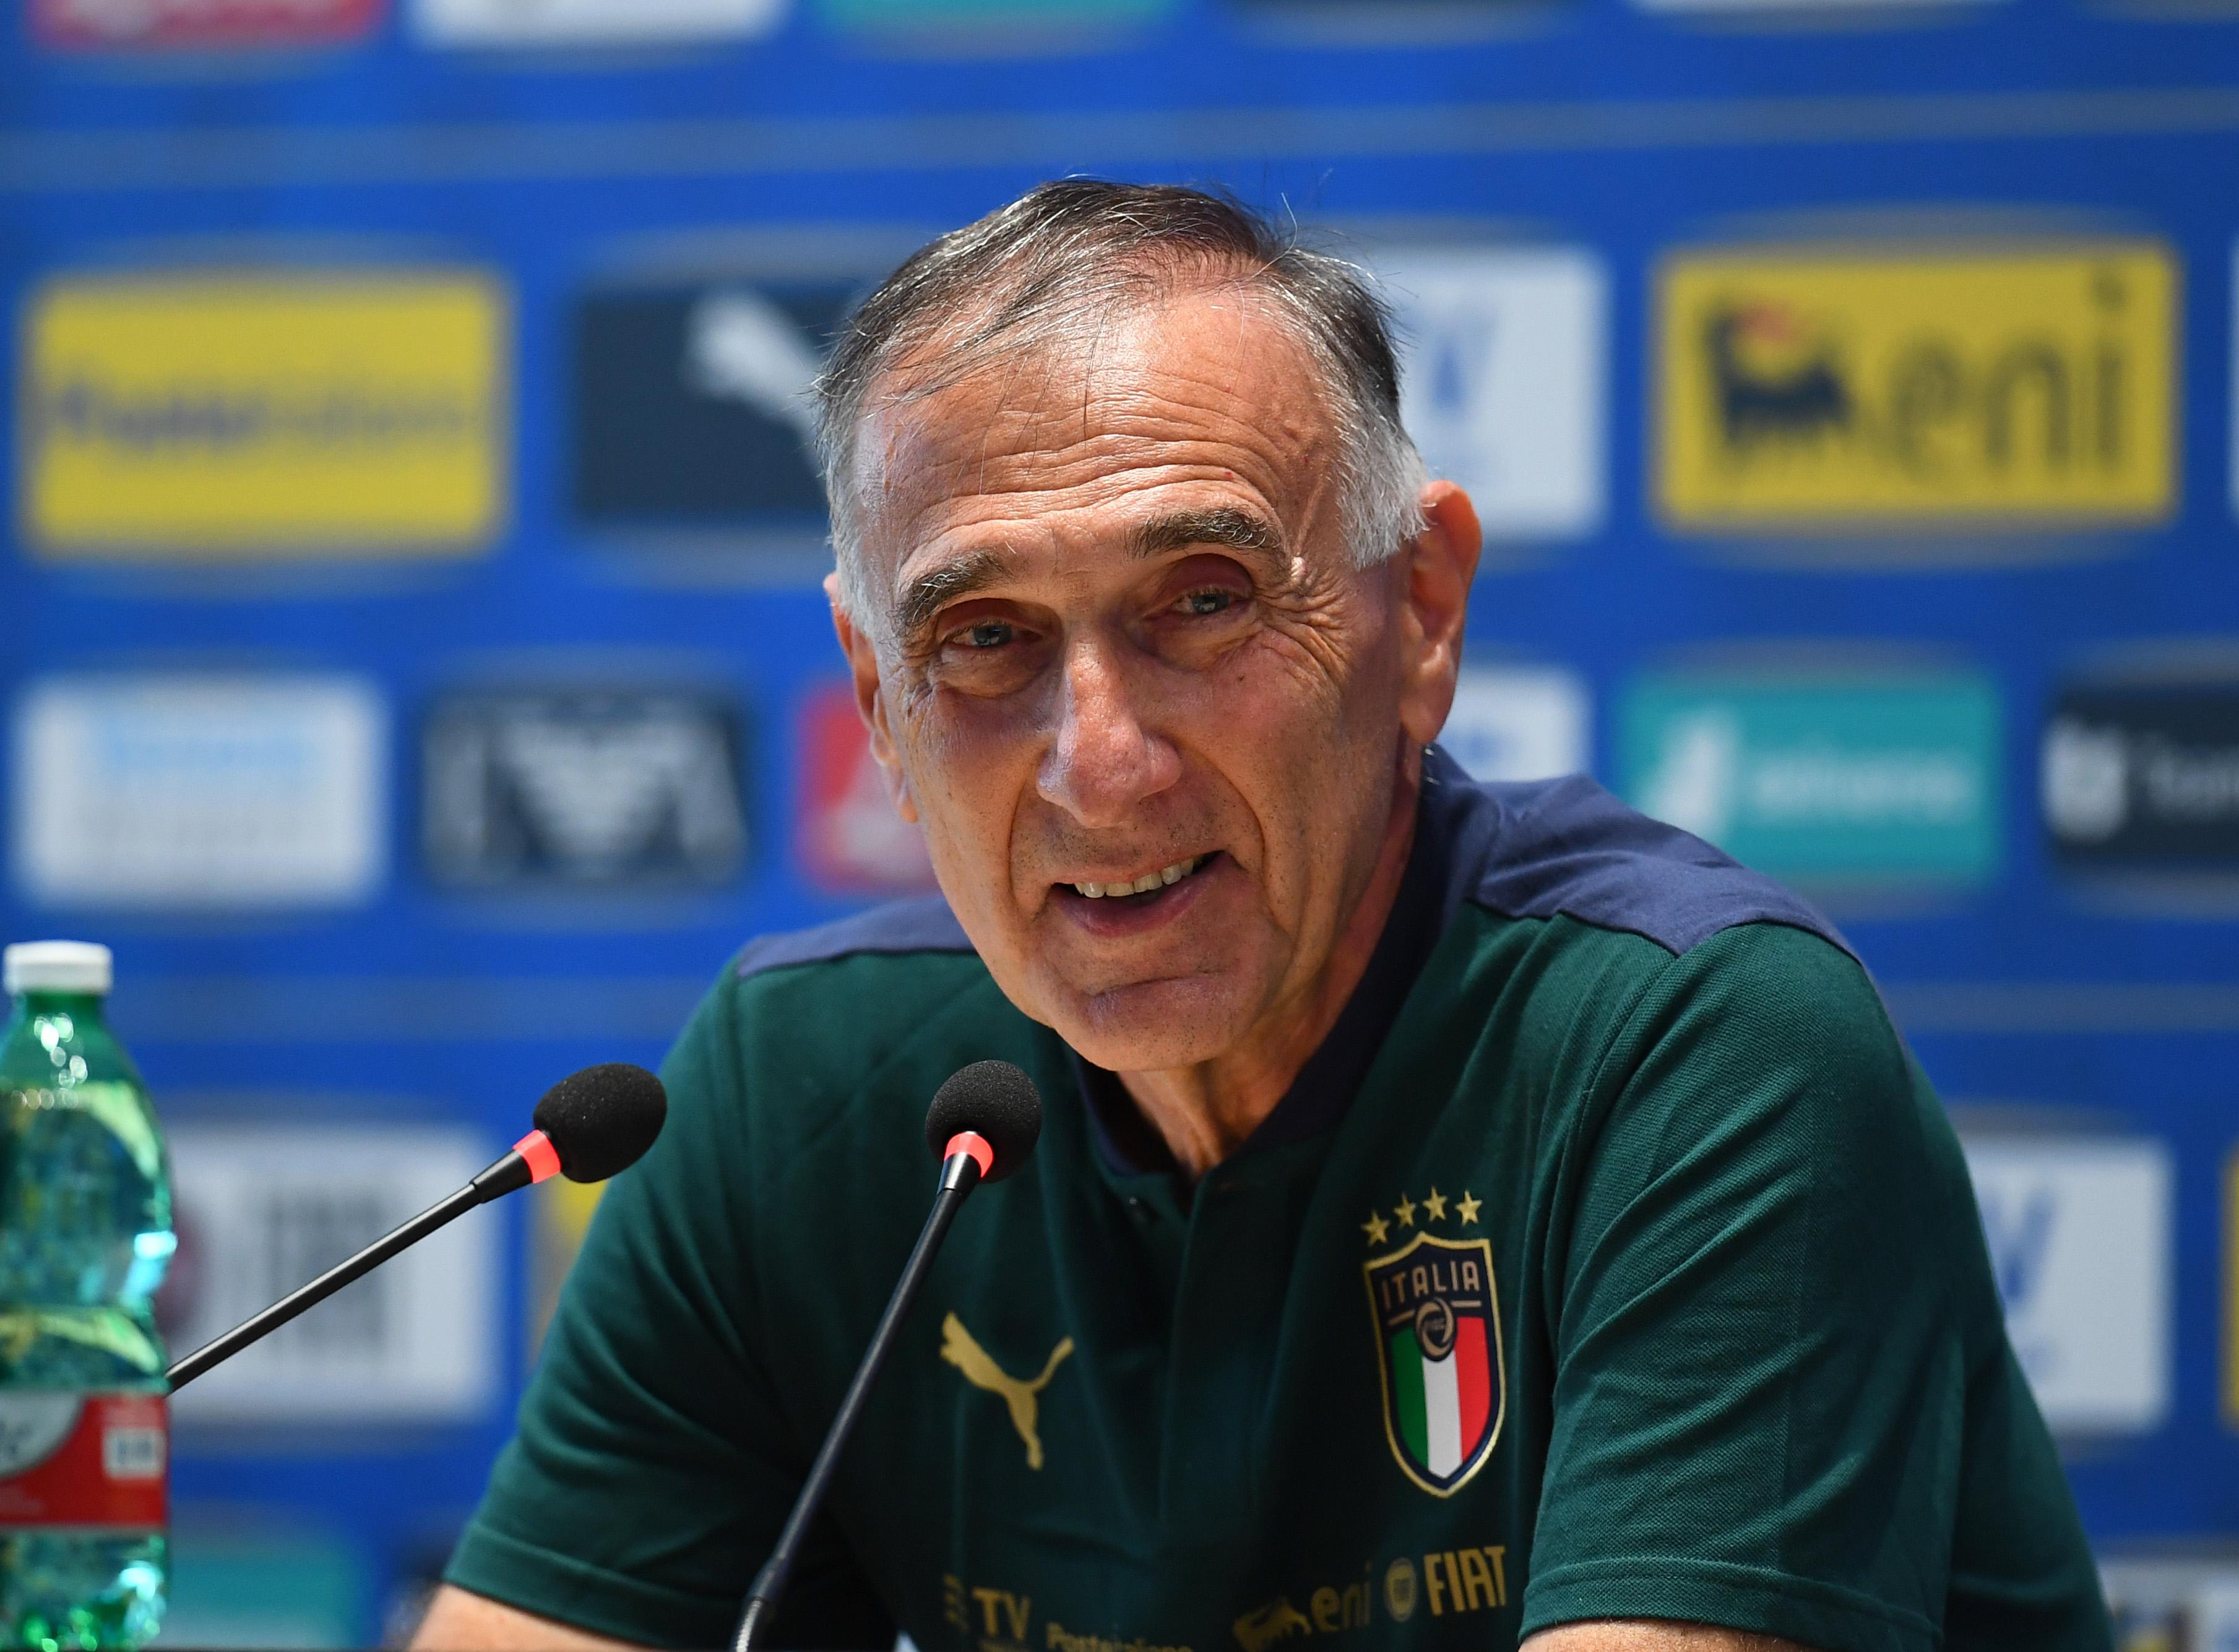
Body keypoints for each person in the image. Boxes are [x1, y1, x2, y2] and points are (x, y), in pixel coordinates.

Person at [415, 181, 2111, 1652]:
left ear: (1420, 616)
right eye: (985, 639)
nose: (1099, 770)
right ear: (877, 698)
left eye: (1204, 604)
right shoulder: (803, 1091)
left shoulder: (1693, 1053)